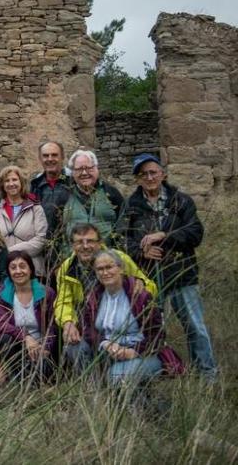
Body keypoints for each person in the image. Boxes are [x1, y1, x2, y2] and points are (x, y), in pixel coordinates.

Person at [120, 154, 216, 382]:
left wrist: (165, 236)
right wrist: (140, 252)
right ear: (138, 179)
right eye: (144, 174)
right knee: (152, 327)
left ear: (163, 174)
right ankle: (162, 372)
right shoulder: (131, 206)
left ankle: (207, 374)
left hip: (182, 274)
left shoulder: (181, 201)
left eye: (154, 172)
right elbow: (122, 239)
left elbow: (195, 233)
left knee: (195, 326)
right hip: (150, 277)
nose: (150, 177)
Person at [53, 223, 155, 369]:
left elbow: (150, 287)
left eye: (90, 241)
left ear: (100, 242)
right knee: (73, 347)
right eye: (79, 242)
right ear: (72, 245)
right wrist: (68, 322)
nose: (85, 246)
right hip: (88, 327)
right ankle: (90, 385)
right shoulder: (67, 268)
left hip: (122, 327)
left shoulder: (118, 258)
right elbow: (63, 302)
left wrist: (142, 283)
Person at [80, 249, 182, 386]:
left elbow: (157, 334)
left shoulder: (139, 295)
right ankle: (94, 388)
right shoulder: (94, 296)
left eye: (109, 267)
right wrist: (105, 343)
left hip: (144, 353)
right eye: (100, 269)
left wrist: (133, 352)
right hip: (109, 352)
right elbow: (88, 328)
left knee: (117, 376)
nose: (105, 272)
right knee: (76, 348)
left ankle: (143, 404)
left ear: (120, 268)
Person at [0, 251, 56, 384]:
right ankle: (13, 376)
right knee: (4, 338)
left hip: (41, 346)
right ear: (8, 272)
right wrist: (25, 337)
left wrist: (46, 348)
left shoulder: (46, 292)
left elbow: (52, 325)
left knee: (41, 372)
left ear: (30, 269)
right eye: (13, 267)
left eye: (22, 266)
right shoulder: (1, 294)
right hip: (16, 346)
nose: (18, 271)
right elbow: (2, 324)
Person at [56, 149, 125, 258]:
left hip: (107, 259)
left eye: (88, 168)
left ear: (96, 169)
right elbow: (55, 230)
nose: (84, 173)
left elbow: (123, 225)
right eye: (79, 169)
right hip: (73, 259)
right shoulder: (64, 196)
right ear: (73, 172)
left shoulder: (111, 193)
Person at [0, 166, 49, 279]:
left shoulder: (36, 209)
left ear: (21, 182)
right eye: (7, 181)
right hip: (5, 270)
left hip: (33, 269)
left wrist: (10, 252)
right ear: (2, 185)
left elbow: (41, 240)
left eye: (14, 179)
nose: (11, 183)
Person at [30, 140, 71, 234]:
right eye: (45, 156)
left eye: (54, 155)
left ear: (62, 157)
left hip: (69, 241)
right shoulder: (35, 185)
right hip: (43, 241)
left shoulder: (72, 182)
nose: (50, 159)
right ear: (40, 159)